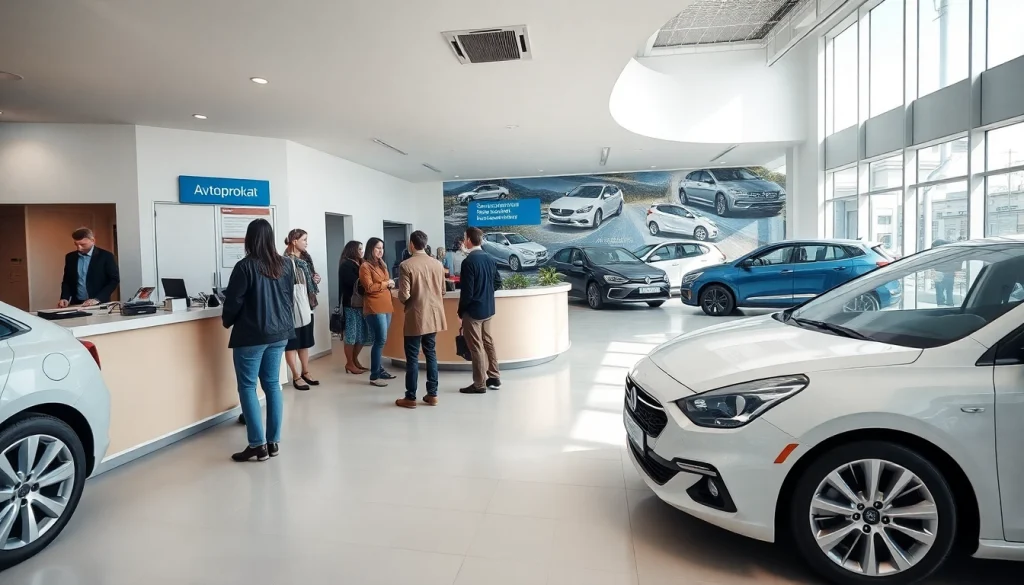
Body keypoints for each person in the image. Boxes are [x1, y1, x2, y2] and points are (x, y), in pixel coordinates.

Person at [222, 218, 295, 462]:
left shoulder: (244, 267)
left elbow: (233, 301)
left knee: (247, 386)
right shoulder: (285, 265)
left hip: (252, 334)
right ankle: (273, 442)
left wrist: (227, 320)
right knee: (273, 385)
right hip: (280, 333)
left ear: (250, 238)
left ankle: (257, 445)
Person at [395, 230, 447, 409]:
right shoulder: (438, 264)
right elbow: (443, 291)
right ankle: (432, 394)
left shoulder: (406, 265)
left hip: (416, 316)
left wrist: (404, 298)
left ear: (411, 244)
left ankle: (410, 397)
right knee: (431, 354)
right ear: (425, 244)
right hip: (433, 316)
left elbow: (404, 295)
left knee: (412, 358)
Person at [457, 227, 502, 394]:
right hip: (488, 309)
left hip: (473, 312)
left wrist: (461, 312)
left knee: (476, 347)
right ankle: (495, 376)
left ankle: (479, 384)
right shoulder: (490, 258)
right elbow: (498, 282)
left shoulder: (468, 262)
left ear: (468, 239)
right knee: (488, 343)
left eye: (464, 238)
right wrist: (486, 295)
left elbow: (467, 293)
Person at [283, 229, 321, 390]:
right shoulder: (284, 261)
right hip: (291, 306)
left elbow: (309, 279)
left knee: (304, 341)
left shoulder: (305, 259)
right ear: (294, 241)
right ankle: (296, 375)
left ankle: (306, 371)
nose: (306, 242)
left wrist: (315, 279)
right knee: (292, 343)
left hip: (306, 304)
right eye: (304, 239)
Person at [360, 237, 397, 387]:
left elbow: (385, 282)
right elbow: (369, 287)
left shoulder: (382, 264)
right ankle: (374, 376)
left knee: (381, 340)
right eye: (377, 248)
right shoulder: (365, 266)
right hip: (374, 306)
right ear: (371, 249)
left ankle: (379, 369)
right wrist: (386, 283)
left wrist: (390, 283)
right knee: (380, 340)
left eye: (382, 248)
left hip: (386, 304)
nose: (380, 251)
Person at [58, 227, 120, 307]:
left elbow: (114, 280)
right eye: (76, 244)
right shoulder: (70, 257)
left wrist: (98, 299)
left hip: (99, 304)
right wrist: (64, 297)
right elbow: (67, 280)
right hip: (76, 303)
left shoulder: (106, 256)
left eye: (83, 245)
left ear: (93, 241)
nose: (79, 248)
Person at [338, 240, 372, 374]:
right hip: (351, 304)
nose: (362, 252)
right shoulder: (346, 265)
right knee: (351, 335)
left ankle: (355, 360)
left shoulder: (361, 263)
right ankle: (350, 363)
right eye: (359, 249)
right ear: (352, 250)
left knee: (363, 335)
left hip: (362, 304)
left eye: (362, 249)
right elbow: (356, 283)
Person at [932, 239, 957, 306]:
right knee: (949, 291)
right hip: (949, 273)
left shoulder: (937, 252)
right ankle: (949, 304)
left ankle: (941, 305)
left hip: (940, 272)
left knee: (940, 291)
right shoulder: (951, 251)